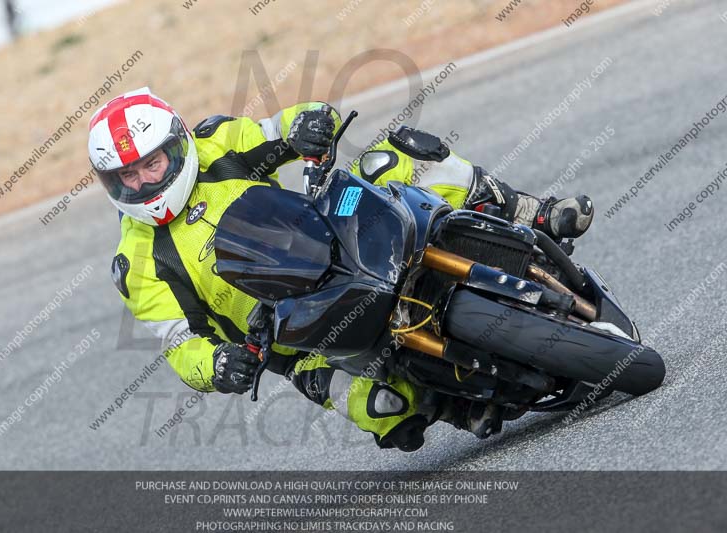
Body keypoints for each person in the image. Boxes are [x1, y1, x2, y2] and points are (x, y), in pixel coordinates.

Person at [88, 87, 593, 452]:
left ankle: (532, 211)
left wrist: (309, 124)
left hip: (338, 237)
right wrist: (218, 367)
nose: (144, 183)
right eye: (126, 176)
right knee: (381, 411)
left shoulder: (216, 144)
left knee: (396, 158)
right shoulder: (137, 263)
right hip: (299, 338)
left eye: (151, 165)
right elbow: (179, 343)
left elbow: (286, 126)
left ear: (177, 146)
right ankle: (455, 405)